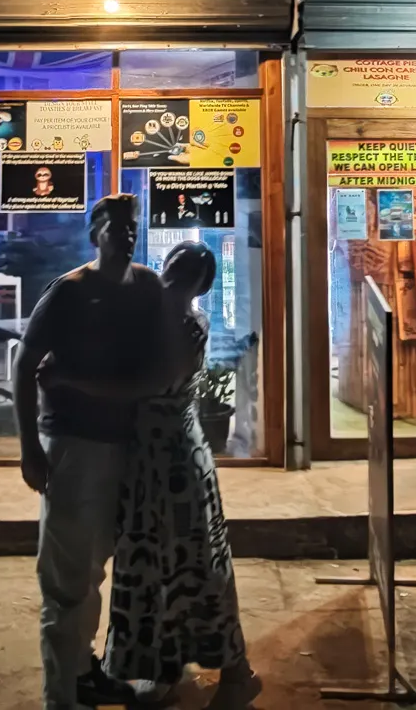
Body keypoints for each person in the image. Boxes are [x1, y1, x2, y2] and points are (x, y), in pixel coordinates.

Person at [44, 242, 261, 708]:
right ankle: (161, 665)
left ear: (200, 286)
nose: (173, 276)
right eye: (174, 265)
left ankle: (236, 671)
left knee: (197, 566)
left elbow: (144, 387)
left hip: (177, 462)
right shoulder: (154, 319)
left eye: (187, 272)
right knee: (150, 567)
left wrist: (69, 381)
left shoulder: (187, 326)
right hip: (149, 458)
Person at [14, 194, 165, 710]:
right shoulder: (70, 292)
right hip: (74, 447)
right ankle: (63, 695)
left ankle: (83, 672)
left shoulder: (146, 287)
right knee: (66, 580)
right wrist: (30, 447)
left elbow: (157, 368)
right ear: (94, 233)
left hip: (126, 448)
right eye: (116, 226)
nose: (127, 235)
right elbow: (25, 362)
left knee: (97, 567)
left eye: (133, 227)